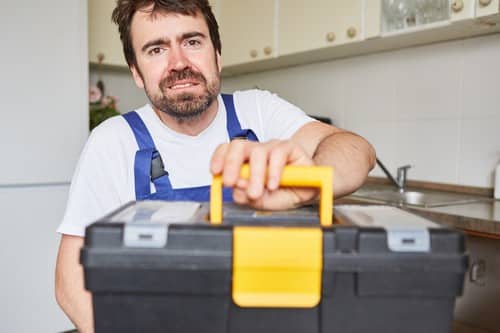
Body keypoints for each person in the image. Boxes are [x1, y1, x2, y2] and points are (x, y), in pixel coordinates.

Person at [55, 0, 376, 331]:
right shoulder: (113, 141)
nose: (179, 63)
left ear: (217, 54)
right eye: (156, 50)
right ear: (136, 72)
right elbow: (71, 279)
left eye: (192, 42)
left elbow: (356, 151)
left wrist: (305, 182)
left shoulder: (259, 111)